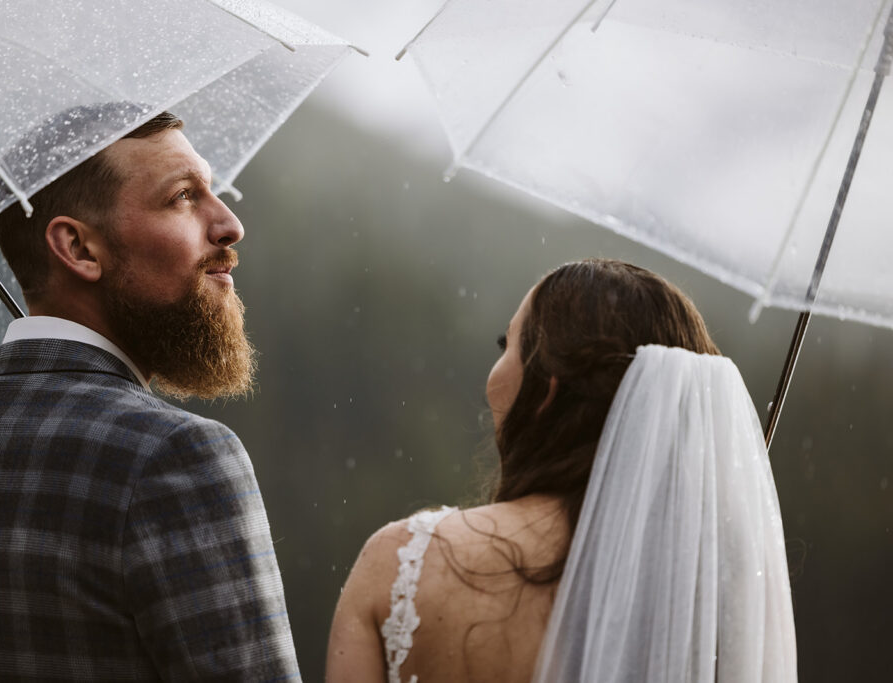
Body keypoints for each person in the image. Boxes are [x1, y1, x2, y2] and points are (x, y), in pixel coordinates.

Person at [0, 105, 301, 681]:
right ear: (77, 249)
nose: (228, 223)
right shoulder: (176, 455)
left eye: (212, 189)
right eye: (182, 197)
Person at [325, 258, 797, 683]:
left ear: (547, 392)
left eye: (505, 344)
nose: (492, 374)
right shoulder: (727, 606)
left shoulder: (402, 563)